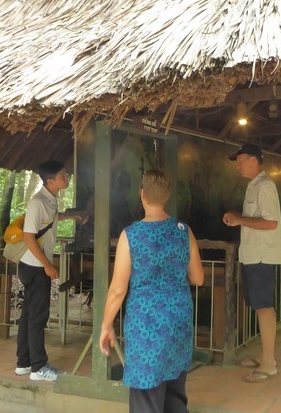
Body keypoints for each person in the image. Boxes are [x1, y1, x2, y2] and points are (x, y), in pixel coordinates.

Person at [100, 170, 204, 413]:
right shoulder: (183, 231)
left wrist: (106, 325)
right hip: (178, 318)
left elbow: (117, 289)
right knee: (175, 391)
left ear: (143, 195)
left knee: (146, 393)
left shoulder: (131, 235)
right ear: (166, 196)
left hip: (145, 323)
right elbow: (198, 278)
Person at [15, 160, 86, 382]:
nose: (67, 177)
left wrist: (72, 216)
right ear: (50, 180)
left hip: (34, 265)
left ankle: (23, 363)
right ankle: (39, 367)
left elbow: (51, 219)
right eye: (63, 175)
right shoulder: (37, 202)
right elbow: (29, 236)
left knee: (28, 315)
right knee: (38, 316)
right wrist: (47, 264)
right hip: (34, 266)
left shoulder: (49, 200)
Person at [223, 143, 281, 383]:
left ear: (254, 160)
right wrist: (238, 218)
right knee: (260, 306)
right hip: (253, 255)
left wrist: (239, 219)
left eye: (240, 160)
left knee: (264, 306)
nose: (237, 165)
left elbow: (271, 223)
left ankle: (269, 364)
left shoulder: (265, 186)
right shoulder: (254, 186)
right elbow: (256, 219)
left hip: (262, 255)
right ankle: (266, 355)